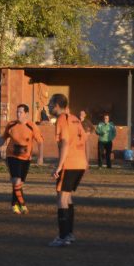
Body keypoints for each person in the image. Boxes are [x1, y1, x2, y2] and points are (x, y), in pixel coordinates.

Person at [47, 93, 87, 247]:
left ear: (57, 105)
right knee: (67, 197)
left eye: (51, 103)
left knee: (61, 199)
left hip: (69, 163)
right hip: (80, 163)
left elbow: (64, 143)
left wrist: (59, 166)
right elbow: (86, 140)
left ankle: (63, 236)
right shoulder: (75, 118)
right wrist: (86, 161)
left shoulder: (62, 119)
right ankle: (69, 234)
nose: (49, 106)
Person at [0, 103, 44, 214]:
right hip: (12, 157)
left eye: (20, 112)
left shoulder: (32, 126)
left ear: (26, 114)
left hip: (26, 159)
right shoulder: (11, 125)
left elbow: (40, 142)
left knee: (19, 184)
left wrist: (40, 157)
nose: (18, 114)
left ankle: (14, 204)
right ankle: (22, 204)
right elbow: (3, 138)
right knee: (16, 180)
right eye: (17, 112)